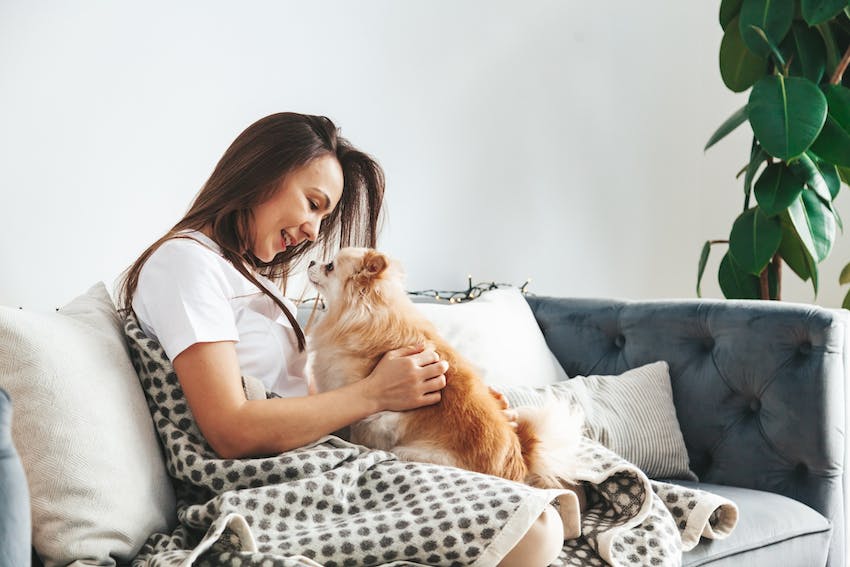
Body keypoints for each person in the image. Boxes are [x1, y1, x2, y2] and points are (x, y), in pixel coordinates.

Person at [119, 112, 566, 567]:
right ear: (262, 172)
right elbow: (230, 430)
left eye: (323, 215)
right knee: (533, 529)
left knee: (551, 498)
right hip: (270, 483)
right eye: (313, 203)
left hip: (314, 462)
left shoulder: (246, 275)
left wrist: (448, 412)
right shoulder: (186, 264)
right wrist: (374, 393)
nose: (314, 232)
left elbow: (304, 407)